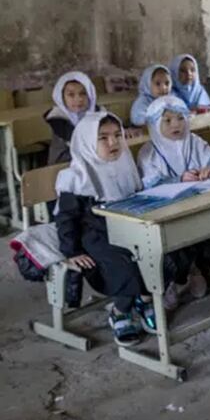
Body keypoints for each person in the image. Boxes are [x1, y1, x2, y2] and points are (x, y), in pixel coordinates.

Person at [54, 112, 156, 346]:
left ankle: (144, 299)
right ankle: (121, 311)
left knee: (156, 252)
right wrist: (72, 251)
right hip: (96, 234)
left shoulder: (125, 164)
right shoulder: (76, 177)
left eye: (118, 135)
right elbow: (66, 219)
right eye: (103, 138)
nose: (113, 142)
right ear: (87, 141)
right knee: (124, 263)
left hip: (127, 226)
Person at [137, 95, 210, 309]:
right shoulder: (149, 152)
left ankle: (199, 268)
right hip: (166, 212)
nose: (176, 125)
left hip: (197, 205)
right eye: (167, 120)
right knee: (175, 248)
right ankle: (173, 280)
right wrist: (178, 179)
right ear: (155, 124)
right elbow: (149, 183)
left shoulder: (193, 141)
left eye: (180, 118)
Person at [44, 71, 99, 165]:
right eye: (71, 95)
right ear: (62, 98)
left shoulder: (99, 115)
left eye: (83, 93)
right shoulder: (58, 121)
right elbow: (57, 159)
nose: (78, 99)